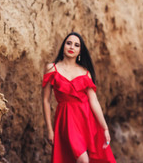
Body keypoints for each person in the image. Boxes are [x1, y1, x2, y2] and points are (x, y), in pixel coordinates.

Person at [42, 32, 116, 163]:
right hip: (66, 120)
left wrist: (104, 128)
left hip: (86, 119)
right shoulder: (51, 68)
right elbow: (46, 100)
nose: (72, 47)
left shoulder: (85, 72)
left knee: (88, 159)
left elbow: (94, 102)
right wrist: (49, 129)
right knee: (83, 160)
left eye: (76, 45)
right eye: (68, 43)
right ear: (63, 46)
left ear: (80, 51)